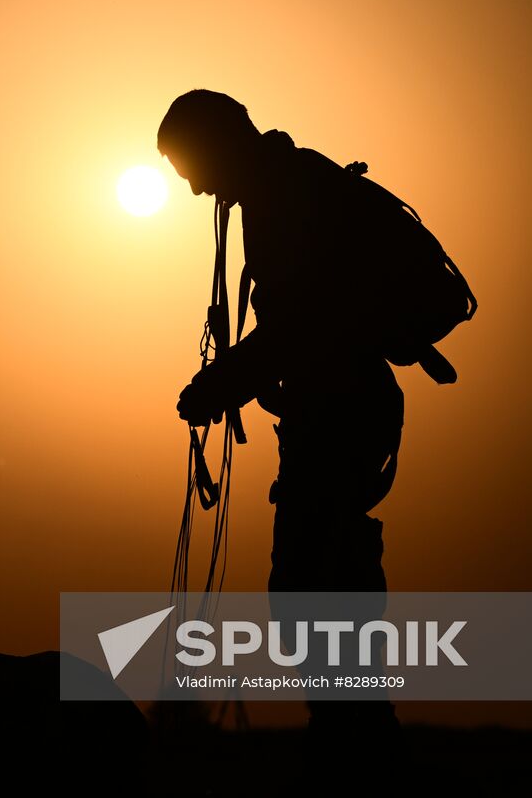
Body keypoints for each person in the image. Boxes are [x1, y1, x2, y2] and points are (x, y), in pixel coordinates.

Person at [160, 89, 404, 738]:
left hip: (338, 412)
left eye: (189, 169)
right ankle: (352, 736)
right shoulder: (285, 187)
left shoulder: (284, 199)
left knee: (313, 586)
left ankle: (354, 745)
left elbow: (300, 325)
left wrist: (221, 386)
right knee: (320, 582)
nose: (192, 191)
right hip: (338, 409)